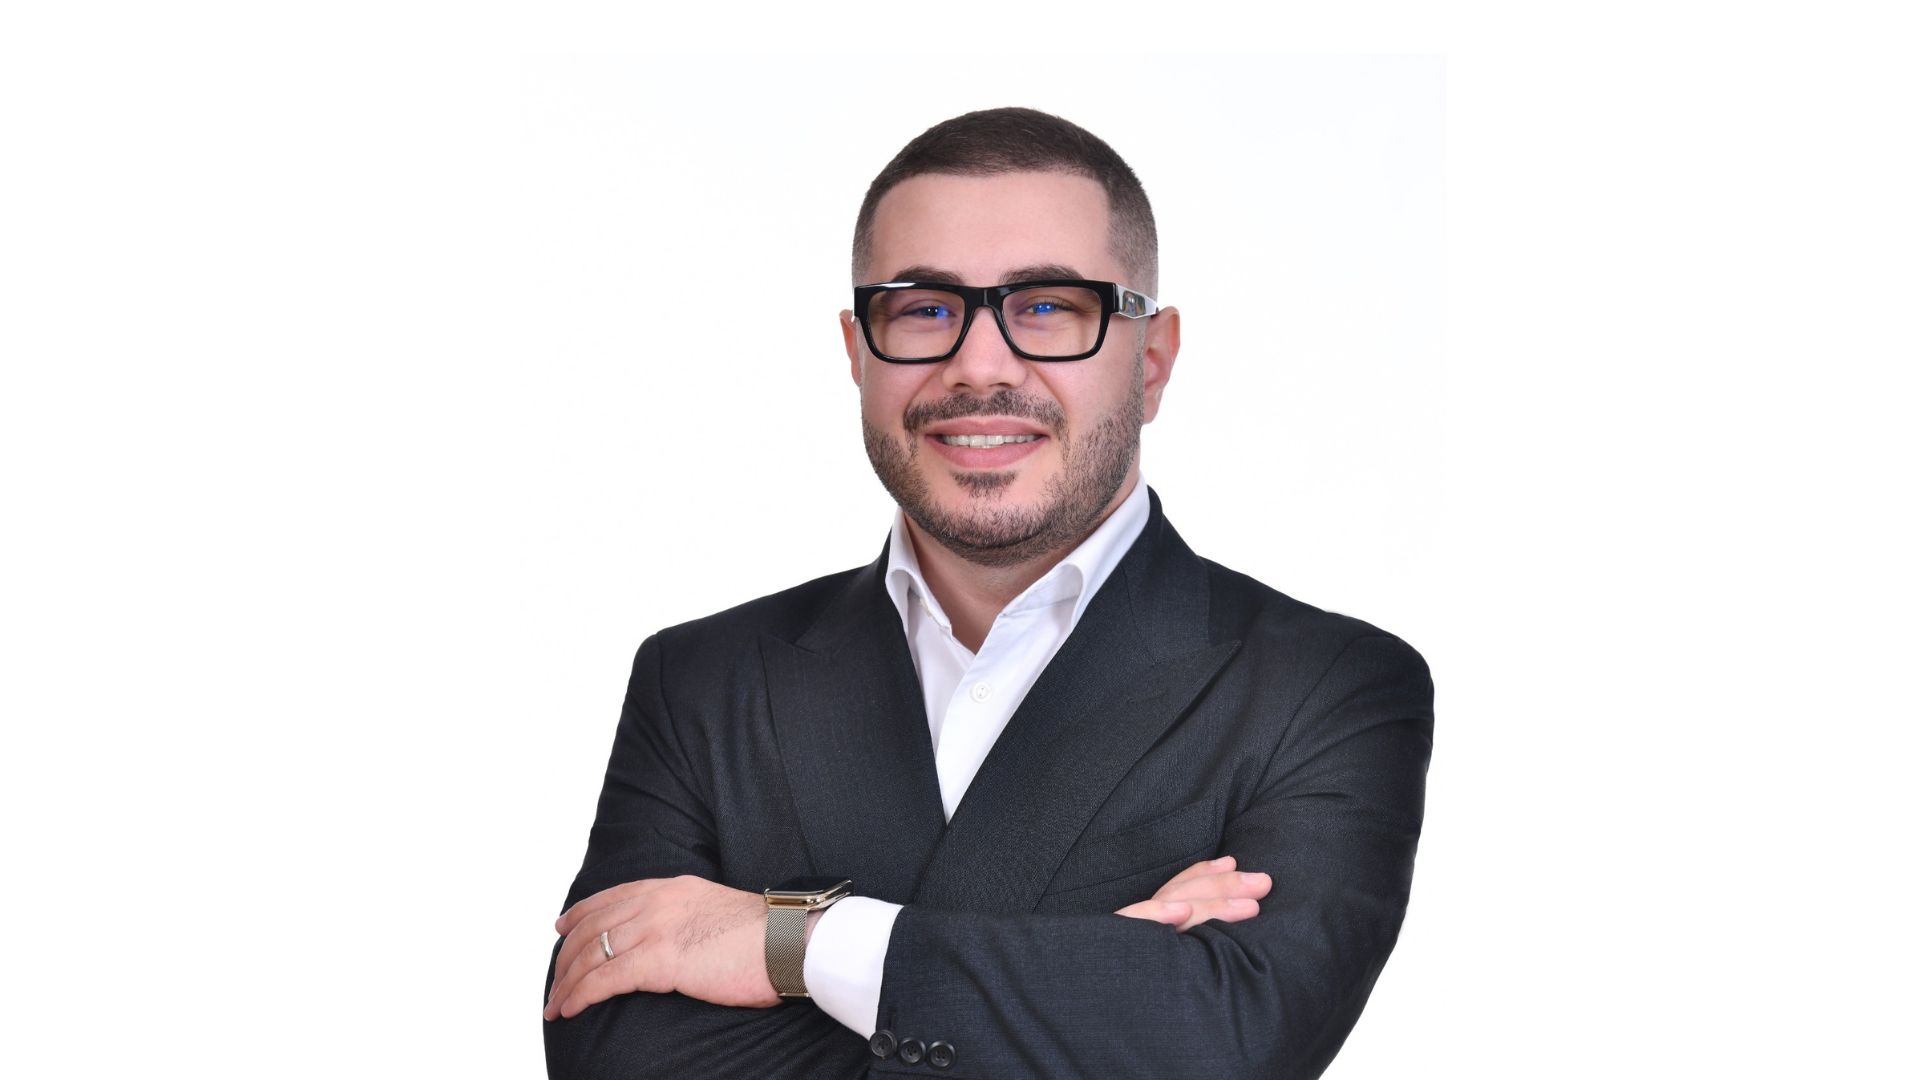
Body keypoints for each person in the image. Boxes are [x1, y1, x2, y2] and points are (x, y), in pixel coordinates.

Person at [542, 106, 1434, 1079]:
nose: (978, 365)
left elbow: (1226, 1042)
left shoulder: (1326, 686)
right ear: (857, 350)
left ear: (1152, 360)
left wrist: (793, 942)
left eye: (1048, 306)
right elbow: (611, 1053)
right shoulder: (702, 680)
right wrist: (1093, 979)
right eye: (923, 309)